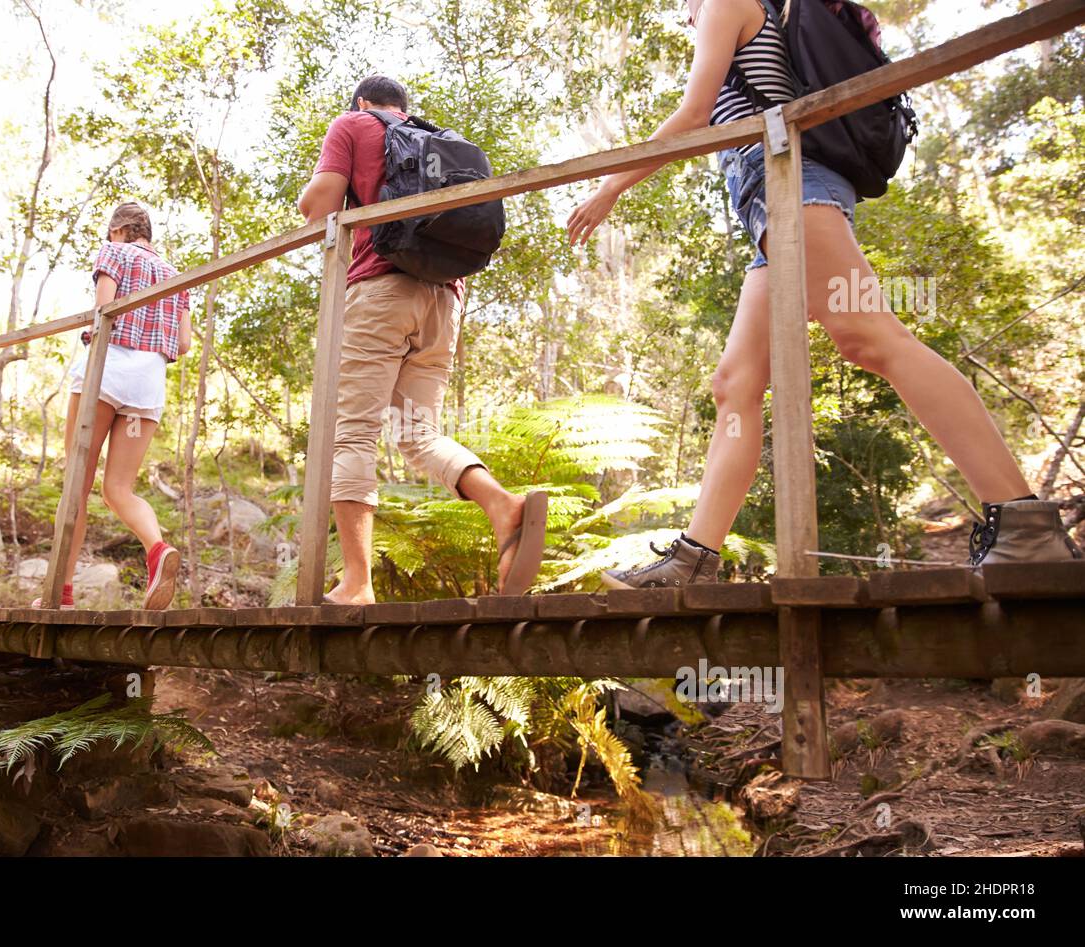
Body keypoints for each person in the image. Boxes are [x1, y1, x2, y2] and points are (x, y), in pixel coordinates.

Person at [565, 0, 1080, 589]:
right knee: (734, 384)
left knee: (870, 337)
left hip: (791, 183)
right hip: (774, 197)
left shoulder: (725, 1)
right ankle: (693, 560)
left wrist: (609, 188)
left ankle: (1024, 524)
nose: (683, 13)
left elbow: (694, 113)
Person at [297, 75, 548, 605]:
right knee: (416, 434)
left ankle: (358, 583)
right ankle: (502, 503)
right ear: (404, 108)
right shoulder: (439, 138)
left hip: (380, 291)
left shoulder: (354, 124)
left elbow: (316, 205)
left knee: (355, 433)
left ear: (363, 101)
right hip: (443, 301)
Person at [36, 201, 191, 610]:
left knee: (77, 486)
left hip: (106, 374)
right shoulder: (177, 275)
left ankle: (60, 594)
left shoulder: (114, 253)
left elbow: (103, 313)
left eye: (110, 232)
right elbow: (184, 344)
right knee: (118, 488)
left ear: (119, 229)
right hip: (145, 388)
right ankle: (157, 549)